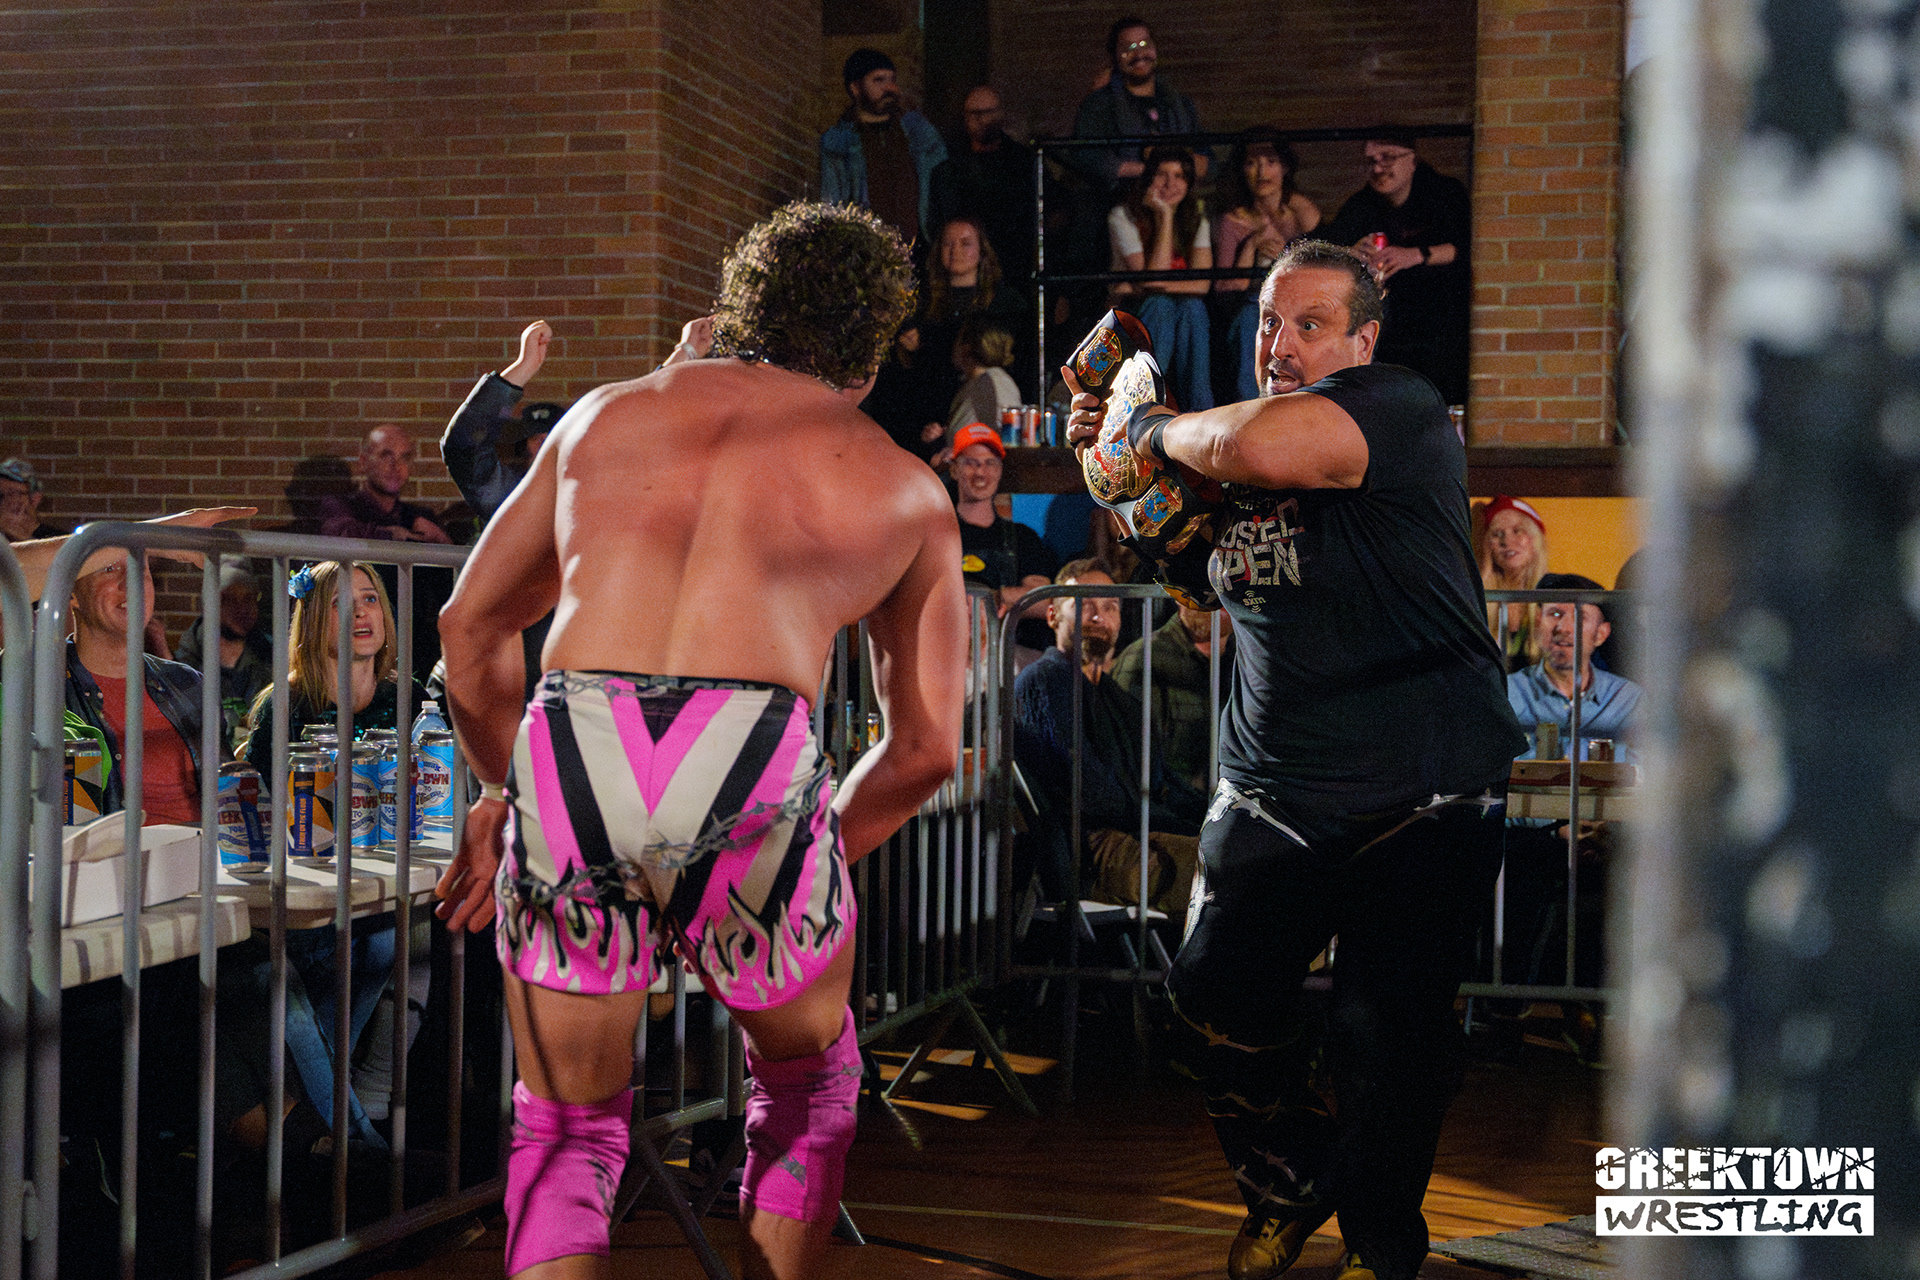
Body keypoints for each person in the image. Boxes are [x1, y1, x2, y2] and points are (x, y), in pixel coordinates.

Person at [432, 201, 968, 1280]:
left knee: (565, 1130)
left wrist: (505, 792)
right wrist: (788, 855)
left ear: (734, 313)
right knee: (809, 1093)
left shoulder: (602, 417)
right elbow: (924, 751)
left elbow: (469, 631)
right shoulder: (905, 485)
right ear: (869, 359)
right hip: (751, 758)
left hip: (576, 742)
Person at [1066, 238, 1525, 1280]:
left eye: (1309, 324)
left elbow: (1261, 445)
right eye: (1269, 321)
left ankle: (1380, 1243)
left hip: (1427, 783)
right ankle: (1294, 1177)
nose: (1279, 344)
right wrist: (1123, 472)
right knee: (1209, 992)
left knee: (1383, 1032)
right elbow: (1197, 576)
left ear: (1363, 340)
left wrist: (1152, 427)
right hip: (1277, 783)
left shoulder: (1399, 408)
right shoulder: (1233, 454)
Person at [1012, 560, 1199, 915]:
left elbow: (1162, 781)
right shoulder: (1043, 682)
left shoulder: (1120, 700)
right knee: (1224, 869)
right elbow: (1087, 791)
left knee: (1247, 854)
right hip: (1090, 851)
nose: (1099, 616)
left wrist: (1212, 817)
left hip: (1135, 835)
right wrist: (1177, 823)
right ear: (1052, 616)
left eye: (1111, 606)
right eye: (1084, 604)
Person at [1502, 574, 1641, 989]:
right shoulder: (1507, 694)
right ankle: (1513, 999)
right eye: (1553, 614)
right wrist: (1561, 825)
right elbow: (1498, 781)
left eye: (1578, 617)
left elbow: (1645, 776)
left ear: (1601, 634)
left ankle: (1599, 1005)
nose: (1562, 627)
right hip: (1535, 839)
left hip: (1610, 837)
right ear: (1537, 625)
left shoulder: (1631, 700)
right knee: (1523, 857)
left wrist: (1598, 825)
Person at [239, 561, 429, 778]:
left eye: (370, 599)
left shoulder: (410, 696)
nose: (360, 611)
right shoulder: (286, 703)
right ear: (313, 621)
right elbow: (258, 792)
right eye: (340, 602)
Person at [1322, 129, 1472, 405]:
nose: (1378, 168)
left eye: (1388, 158)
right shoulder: (1361, 204)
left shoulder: (1444, 194)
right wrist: (1353, 252)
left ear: (1412, 160)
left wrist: (1416, 254)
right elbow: (1330, 248)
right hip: (1389, 321)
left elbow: (1470, 248)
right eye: (1372, 161)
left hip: (1441, 315)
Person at [63, 556, 205, 825]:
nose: (132, 583)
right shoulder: (39, 687)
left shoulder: (188, 683)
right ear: (71, 593)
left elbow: (230, 793)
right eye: (109, 569)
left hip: (206, 847)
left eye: (141, 569)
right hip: (110, 851)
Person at [1215, 131, 1321, 403]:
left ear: (1284, 167)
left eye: (1270, 162)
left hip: (1299, 301)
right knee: (1253, 317)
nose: (1262, 172)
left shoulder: (1301, 212)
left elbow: (1318, 264)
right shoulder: (1233, 220)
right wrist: (1251, 246)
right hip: (1250, 305)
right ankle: (1255, 406)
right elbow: (1226, 289)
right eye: (1252, 163)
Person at [1109, 145, 1213, 411]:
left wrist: (1149, 285)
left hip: (1181, 309)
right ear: (1148, 178)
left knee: (1193, 308)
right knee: (1161, 304)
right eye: (1161, 175)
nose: (1170, 184)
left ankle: (1198, 411)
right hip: (1133, 312)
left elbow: (1202, 284)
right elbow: (1154, 279)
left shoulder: (1196, 218)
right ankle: (1146, 405)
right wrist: (1165, 216)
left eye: (1179, 176)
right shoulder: (1123, 216)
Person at [949, 422, 1057, 661]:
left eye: (990, 463)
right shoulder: (938, 534)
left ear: (1000, 470)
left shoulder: (1023, 537)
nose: (981, 472)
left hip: (1007, 660)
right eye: (971, 463)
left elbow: (1041, 600)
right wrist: (1009, 597)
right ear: (954, 470)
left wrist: (989, 599)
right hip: (948, 654)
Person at [442, 320, 567, 525]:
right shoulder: (516, 498)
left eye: (551, 438)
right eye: (535, 437)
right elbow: (464, 448)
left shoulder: (595, 494)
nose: (542, 444)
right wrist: (523, 367)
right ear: (525, 446)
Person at [819, 49, 947, 244]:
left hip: (920, 247)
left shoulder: (920, 133)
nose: (890, 88)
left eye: (892, 79)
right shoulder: (838, 142)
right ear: (855, 87)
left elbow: (942, 189)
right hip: (868, 248)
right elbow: (833, 204)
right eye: (879, 80)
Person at [1111, 600, 1232, 797]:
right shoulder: (1145, 659)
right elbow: (1131, 764)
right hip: (1172, 807)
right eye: (1207, 591)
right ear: (1178, 596)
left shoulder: (1249, 659)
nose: (1218, 599)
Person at [1071, 17, 1205, 191]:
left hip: (1177, 202)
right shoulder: (1098, 105)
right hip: (1120, 201)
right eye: (1128, 48)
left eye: (1145, 44)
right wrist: (1152, 170)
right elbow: (1089, 159)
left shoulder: (1181, 104)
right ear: (1114, 56)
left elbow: (1207, 161)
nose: (1139, 54)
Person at [928, 86, 1039, 287]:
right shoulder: (949, 168)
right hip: (966, 270)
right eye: (975, 114)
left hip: (1015, 267)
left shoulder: (1024, 163)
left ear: (1000, 114)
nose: (982, 120)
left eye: (988, 112)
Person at [174, 561, 274, 753]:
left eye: (248, 598)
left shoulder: (273, 660)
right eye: (229, 599)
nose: (242, 608)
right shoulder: (181, 668)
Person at [319, 424, 454, 545]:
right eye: (385, 455)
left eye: (404, 457)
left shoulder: (421, 517)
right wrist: (396, 535)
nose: (396, 466)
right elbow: (341, 535)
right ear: (364, 462)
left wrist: (442, 540)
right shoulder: (340, 507)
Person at [1476, 494, 1551, 671]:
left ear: (1535, 538)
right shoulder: (1477, 602)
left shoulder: (1555, 597)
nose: (1507, 541)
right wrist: (1482, 576)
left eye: (1517, 531)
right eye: (1497, 534)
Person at [944, 316, 1023, 444]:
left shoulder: (993, 381)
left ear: (967, 347)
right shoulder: (974, 383)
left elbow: (1002, 436)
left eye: (959, 339)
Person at [0, 457, 65, 541]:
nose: (5, 501)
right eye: (1, 494)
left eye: (13, 493)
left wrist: (23, 539)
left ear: (35, 499)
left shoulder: (58, 540)